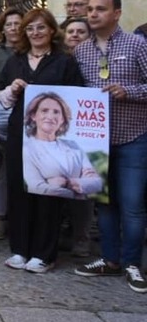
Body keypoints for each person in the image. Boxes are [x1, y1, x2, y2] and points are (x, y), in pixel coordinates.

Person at [0, 8, 85, 274]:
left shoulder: (64, 61)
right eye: (30, 28)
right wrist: (11, 90)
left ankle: (44, 254)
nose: (35, 33)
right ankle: (20, 249)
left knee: (48, 192)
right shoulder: (15, 60)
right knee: (19, 191)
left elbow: (76, 97)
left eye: (41, 28)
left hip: (51, 138)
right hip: (19, 135)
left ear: (51, 31)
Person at [72, 0, 147, 293]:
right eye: (89, 9)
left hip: (134, 137)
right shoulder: (81, 51)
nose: (92, 14)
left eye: (100, 9)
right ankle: (109, 259)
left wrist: (129, 91)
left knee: (132, 205)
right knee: (104, 203)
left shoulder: (137, 45)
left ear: (116, 13)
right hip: (96, 141)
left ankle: (132, 263)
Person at [0, 7, 24, 240]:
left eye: (18, 24)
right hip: (1, 116)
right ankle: (1, 218)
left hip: (29, 118)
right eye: (8, 24)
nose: (13, 28)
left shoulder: (32, 53)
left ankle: (21, 217)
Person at [58, 13, 95, 256]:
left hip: (87, 131)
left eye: (80, 32)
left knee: (83, 188)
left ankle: (82, 236)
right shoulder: (57, 61)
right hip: (58, 131)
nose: (74, 36)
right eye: (70, 32)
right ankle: (61, 230)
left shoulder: (95, 60)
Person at [23, 92, 102, 197]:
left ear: (62, 119)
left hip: (76, 208)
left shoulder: (73, 146)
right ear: (33, 116)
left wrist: (67, 183)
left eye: (56, 112)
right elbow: (36, 187)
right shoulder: (27, 149)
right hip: (44, 205)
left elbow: (97, 183)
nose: (50, 116)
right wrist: (78, 186)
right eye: (44, 111)